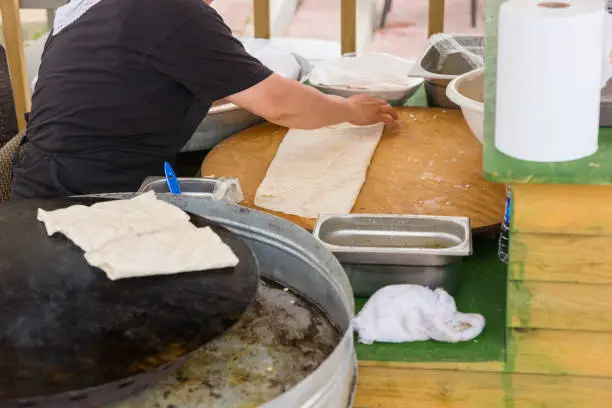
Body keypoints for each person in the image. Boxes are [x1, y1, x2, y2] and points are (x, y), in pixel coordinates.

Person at [11, 0, 399, 199]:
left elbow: (128, 86)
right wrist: (348, 110)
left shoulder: (99, 8)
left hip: (47, 180)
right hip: (84, 197)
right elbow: (280, 103)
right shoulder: (171, 11)